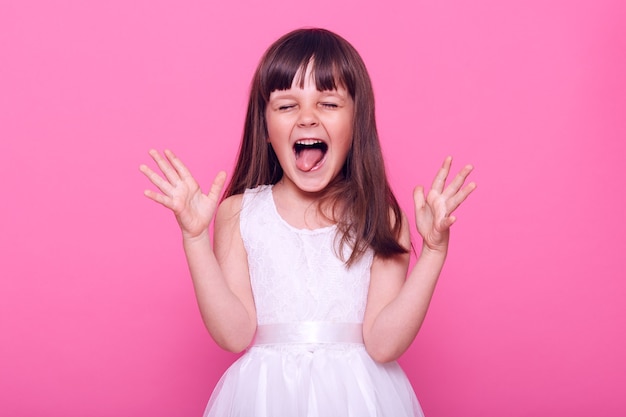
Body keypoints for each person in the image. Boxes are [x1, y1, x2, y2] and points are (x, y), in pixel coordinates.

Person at [140, 28, 475, 417]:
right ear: (264, 127)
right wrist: (195, 239)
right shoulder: (239, 213)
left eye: (328, 103)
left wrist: (433, 253)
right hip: (265, 399)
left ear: (356, 123)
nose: (307, 118)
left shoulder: (380, 217)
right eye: (286, 106)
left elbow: (384, 344)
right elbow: (233, 334)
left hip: (360, 401)